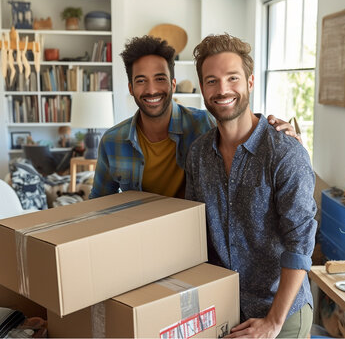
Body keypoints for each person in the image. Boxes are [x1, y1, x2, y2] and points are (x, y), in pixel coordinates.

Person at [185, 34, 317, 338]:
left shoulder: (285, 152)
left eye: (232, 78)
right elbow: (194, 233)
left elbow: (300, 244)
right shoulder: (199, 154)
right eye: (211, 81)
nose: (223, 90)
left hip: (281, 312)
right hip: (224, 308)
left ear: (250, 82)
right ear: (203, 89)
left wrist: (273, 323)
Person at [90, 35, 299, 199]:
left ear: (173, 84)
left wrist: (284, 137)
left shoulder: (204, 124)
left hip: (195, 240)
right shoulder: (112, 141)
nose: (152, 89)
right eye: (141, 81)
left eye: (160, 78)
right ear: (131, 88)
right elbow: (100, 204)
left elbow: (240, 124)